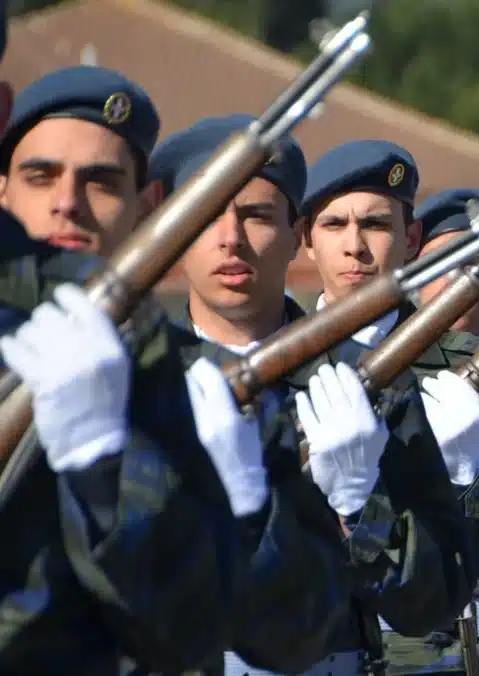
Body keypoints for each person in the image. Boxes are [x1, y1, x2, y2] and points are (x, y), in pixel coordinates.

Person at [156, 126, 476, 674]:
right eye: (207, 215)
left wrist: (360, 509)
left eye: (256, 215)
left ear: (294, 233)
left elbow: (435, 599)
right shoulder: (134, 382)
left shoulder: (367, 383)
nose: (231, 238)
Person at [0, 62, 259, 673]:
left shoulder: (193, 385)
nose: (67, 205)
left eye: (100, 182)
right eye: (41, 177)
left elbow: (225, 631)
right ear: (2, 191)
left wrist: (109, 479)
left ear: (148, 206)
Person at [304, 175, 479, 674]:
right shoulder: (260, 367)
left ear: (411, 240)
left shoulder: (473, 373)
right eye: (334, 224)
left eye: (376, 224)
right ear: (305, 239)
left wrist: (475, 475)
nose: (354, 247)